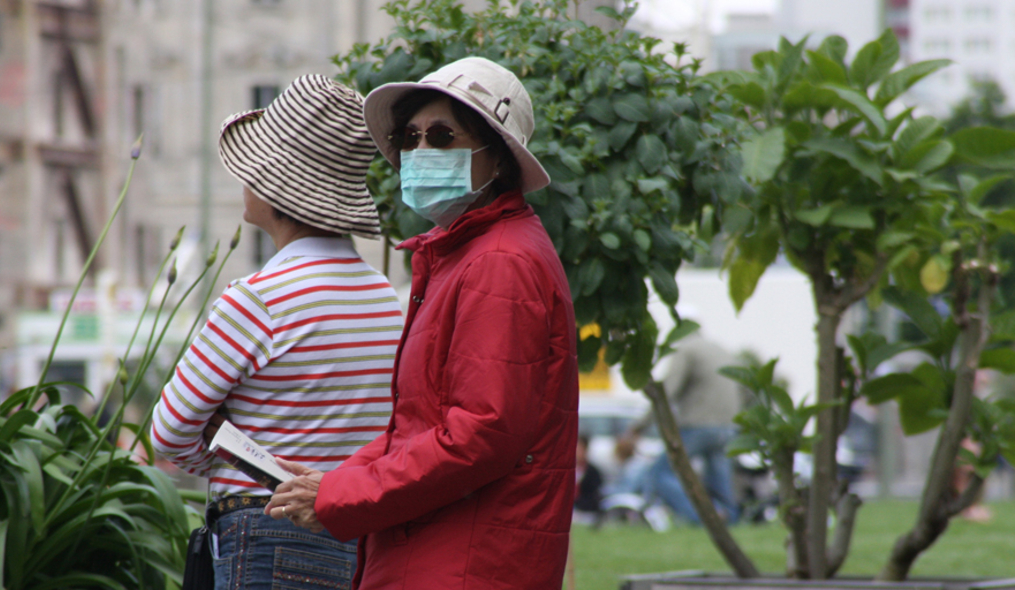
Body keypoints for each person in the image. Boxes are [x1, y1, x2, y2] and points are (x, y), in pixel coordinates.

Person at [264, 57, 579, 590]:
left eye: (441, 136)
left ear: (498, 159)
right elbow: (421, 426)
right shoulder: (466, 255)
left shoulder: (499, 261)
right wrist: (336, 483)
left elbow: (481, 432)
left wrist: (340, 495)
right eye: (410, 138)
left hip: (464, 562)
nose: (420, 152)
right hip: (445, 554)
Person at [149, 74, 404, 590]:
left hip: (264, 533)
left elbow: (169, 430)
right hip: (359, 537)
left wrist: (230, 450)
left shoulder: (256, 298)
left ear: (273, 188)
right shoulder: (387, 300)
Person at [620, 327, 743, 525]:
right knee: (720, 481)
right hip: (728, 428)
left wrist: (639, 426)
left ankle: (703, 519)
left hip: (698, 425)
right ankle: (729, 519)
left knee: (660, 474)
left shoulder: (687, 349)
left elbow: (667, 392)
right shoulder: (721, 350)